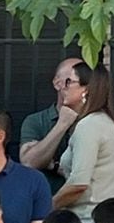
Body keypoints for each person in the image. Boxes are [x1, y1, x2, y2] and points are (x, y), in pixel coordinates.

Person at [51, 63, 114, 223]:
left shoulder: (89, 125)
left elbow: (78, 183)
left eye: (70, 81)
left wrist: (48, 207)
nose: (64, 87)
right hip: (103, 220)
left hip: (88, 222)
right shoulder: (105, 121)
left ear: (87, 89)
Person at [19, 54, 86, 189]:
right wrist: (62, 124)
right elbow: (29, 162)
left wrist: (53, 166)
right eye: (71, 81)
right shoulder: (36, 121)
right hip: (49, 199)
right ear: (57, 83)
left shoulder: (94, 120)